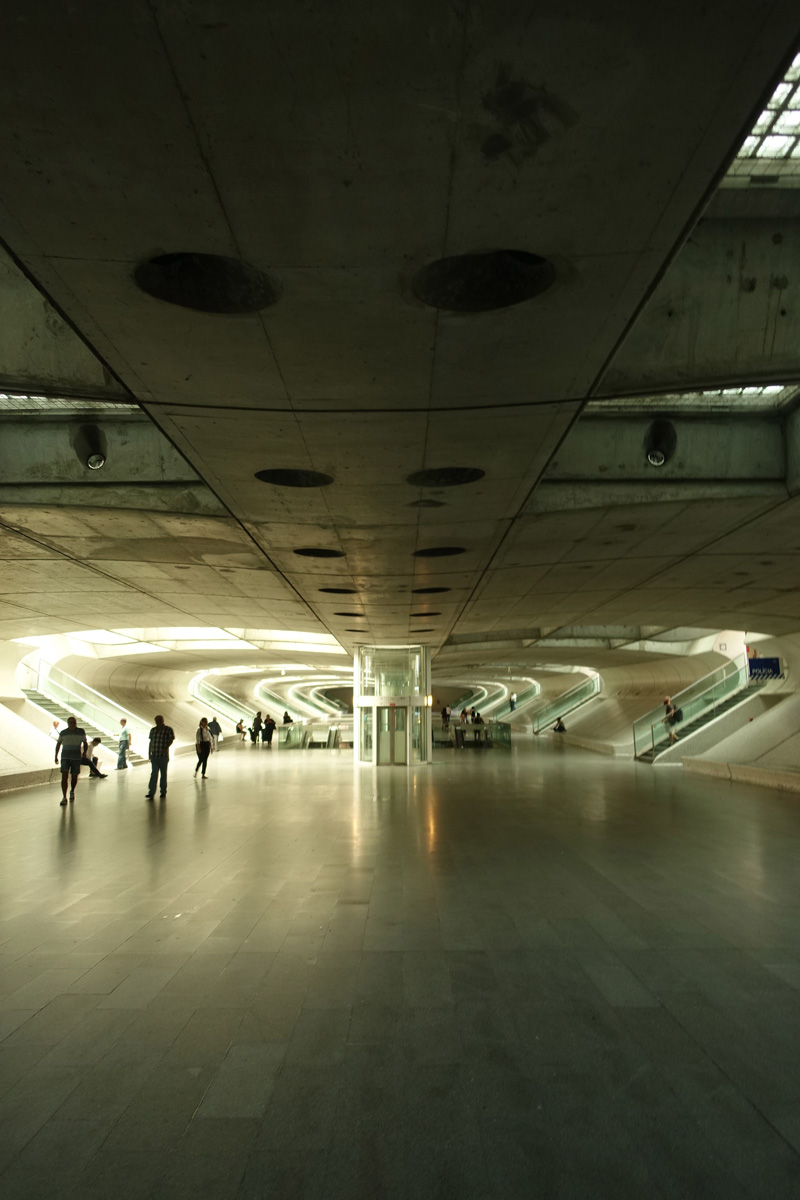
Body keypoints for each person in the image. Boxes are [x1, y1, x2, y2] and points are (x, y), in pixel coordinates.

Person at [54, 715, 87, 806]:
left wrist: (84, 753)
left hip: (76, 757)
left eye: (74, 722)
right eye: (70, 723)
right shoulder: (63, 733)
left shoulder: (81, 732)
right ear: (68, 724)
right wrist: (56, 756)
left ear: (76, 723)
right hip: (65, 757)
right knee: (64, 776)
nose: (72, 724)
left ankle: (72, 790)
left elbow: (85, 742)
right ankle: (64, 797)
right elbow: (58, 744)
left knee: (74, 776)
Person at [146, 714, 175, 801]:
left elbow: (171, 739)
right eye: (156, 721)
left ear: (162, 721)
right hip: (155, 755)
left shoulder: (168, 729)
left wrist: (166, 747)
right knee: (154, 774)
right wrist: (149, 753)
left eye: (159, 720)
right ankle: (151, 792)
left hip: (163, 756)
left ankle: (163, 791)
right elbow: (151, 742)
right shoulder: (153, 730)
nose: (158, 722)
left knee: (163, 774)